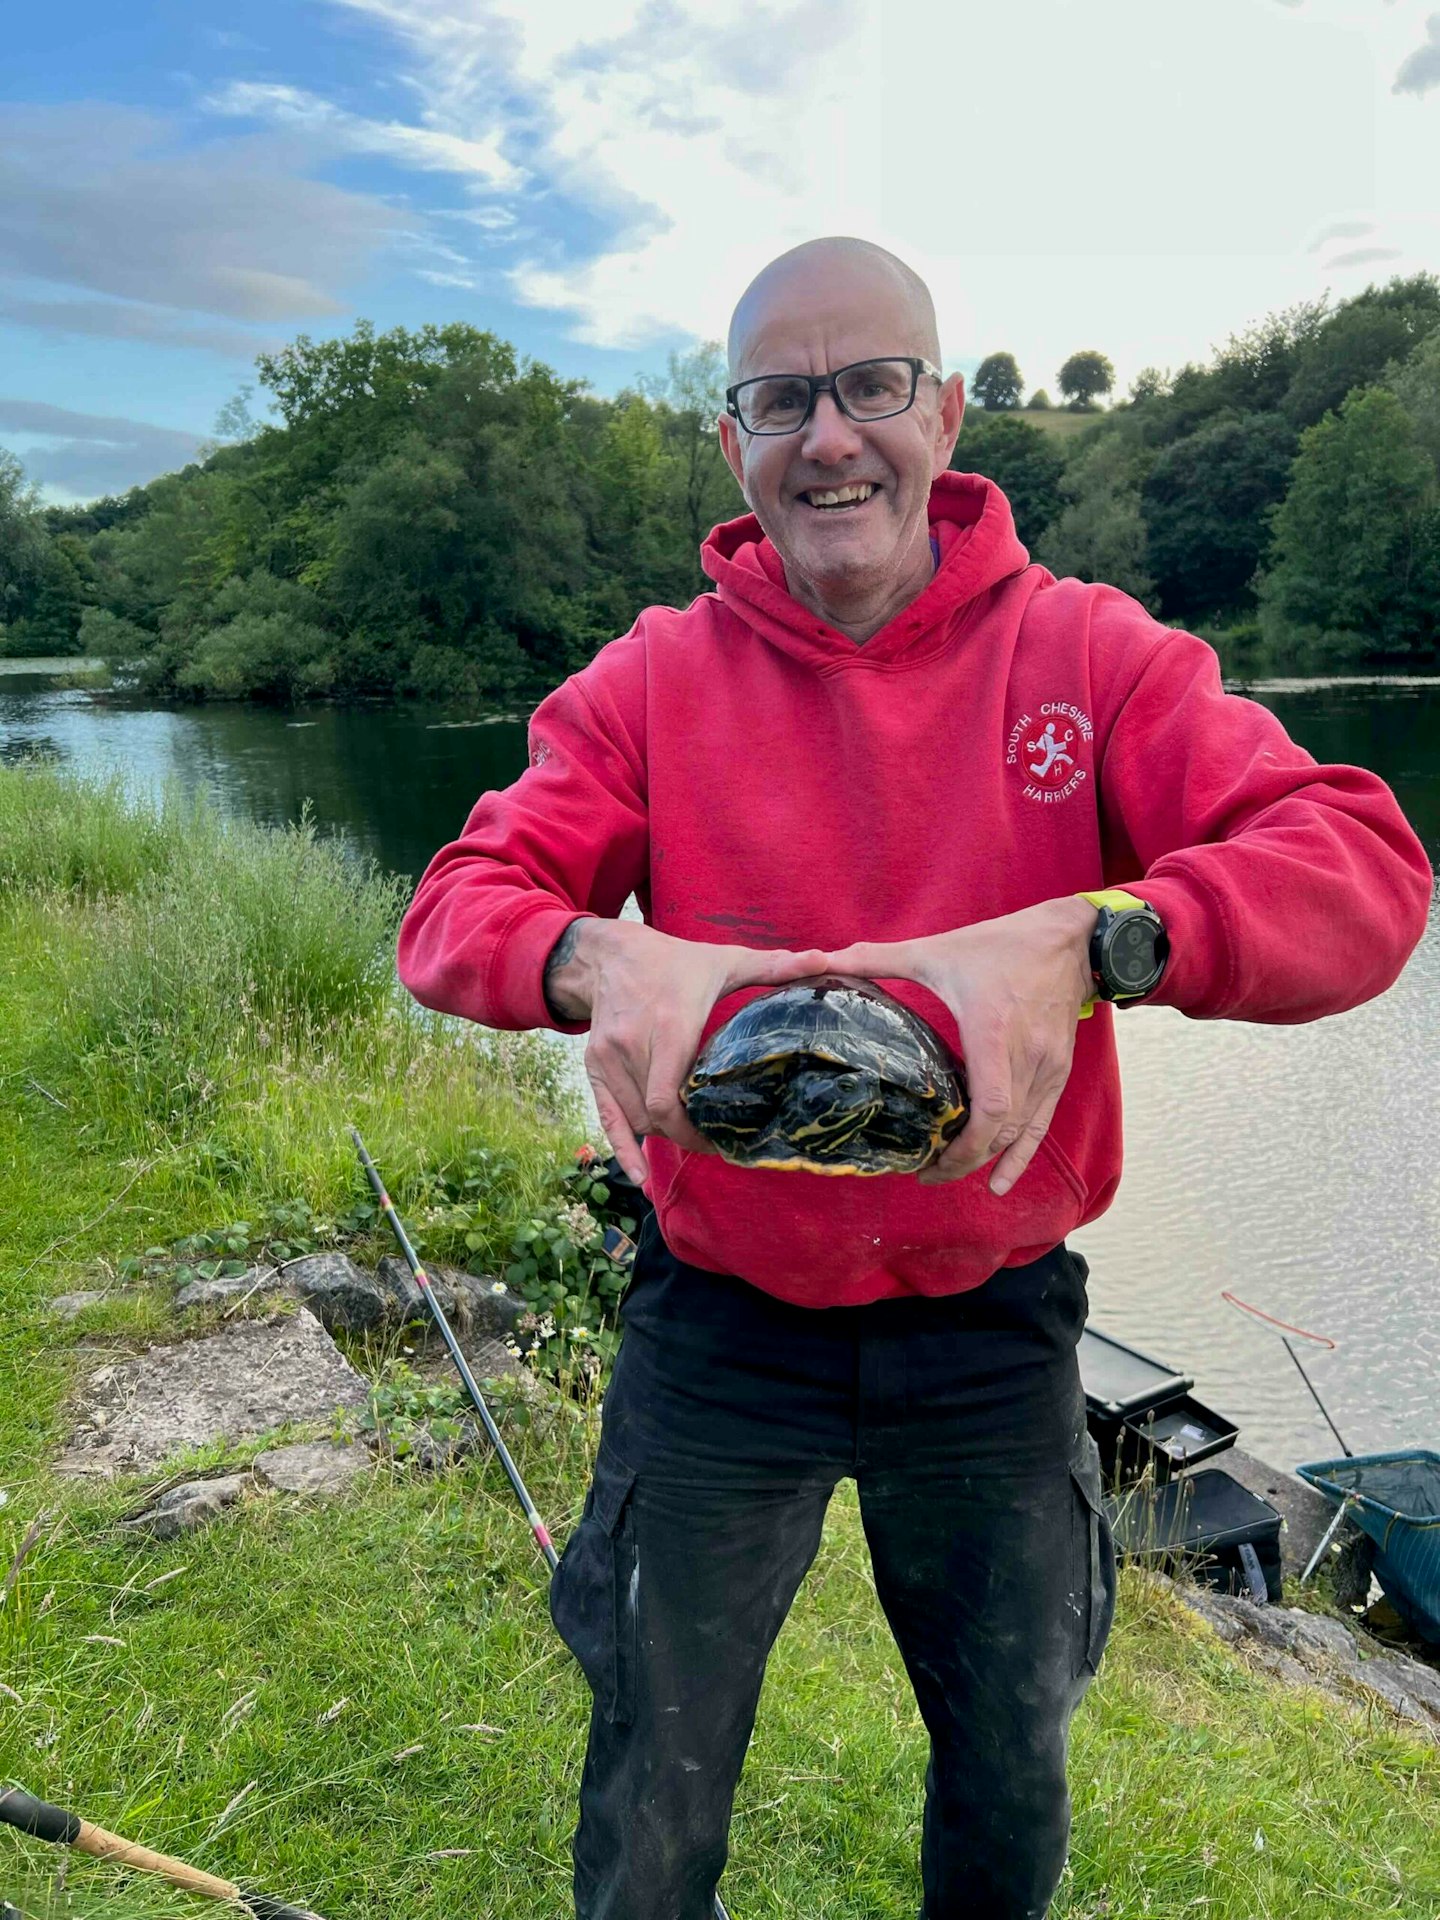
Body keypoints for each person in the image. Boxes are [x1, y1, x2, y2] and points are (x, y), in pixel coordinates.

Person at [396, 237, 1431, 1920]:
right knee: (652, 1782)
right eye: (781, 398)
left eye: (872, 386)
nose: (831, 437)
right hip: (718, 1324)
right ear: (732, 440)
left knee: (1011, 1770)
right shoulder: (651, 679)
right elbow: (452, 906)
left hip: (994, 1326)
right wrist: (593, 957)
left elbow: (1365, 869)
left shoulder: (1091, 657)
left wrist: (1102, 935)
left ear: (945, 412)